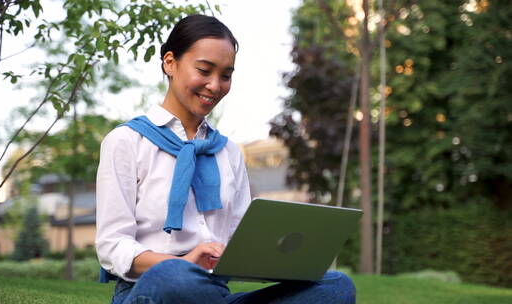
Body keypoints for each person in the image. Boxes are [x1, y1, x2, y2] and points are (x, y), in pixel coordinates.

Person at [95, 14, 356, 304]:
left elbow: (240, 241)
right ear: (170, 63)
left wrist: (281, 259)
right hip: (154, 288)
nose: (215, 85)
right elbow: (112, 245)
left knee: (336, 286)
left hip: (215, 294)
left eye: (226, 75)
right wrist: (185, 263)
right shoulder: (127, 141)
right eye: (204, 70)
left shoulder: (227, 151)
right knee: (175, 277)